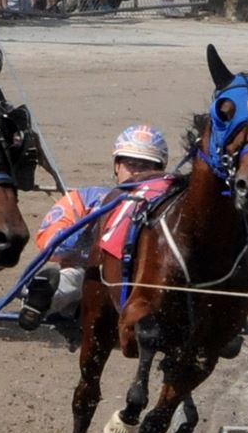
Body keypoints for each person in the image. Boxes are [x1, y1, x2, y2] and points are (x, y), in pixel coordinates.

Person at [18, 125, 172, 332]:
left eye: (146, 166)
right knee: (72, 280)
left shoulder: (169, 207)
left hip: (147, 282)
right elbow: (49, 244)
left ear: (160, 169)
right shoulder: (85, 199)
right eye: (130, 163)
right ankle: (39, 299)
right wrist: (85, 231)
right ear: (117, 166)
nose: (136, 171)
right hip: (89, 276)